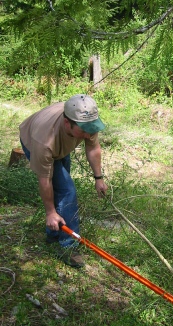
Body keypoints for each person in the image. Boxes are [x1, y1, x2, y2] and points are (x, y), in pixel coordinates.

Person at [19, 94, 108, 268]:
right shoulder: (44, 142)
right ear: (67, 123)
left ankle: (53, 235)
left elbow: (93, 147)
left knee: (62, 188)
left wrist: (99, 179)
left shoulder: (86, 119)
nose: (89, 134)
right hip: (33, 139)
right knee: (67, 190)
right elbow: (45, 181)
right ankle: (68, 246)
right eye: (83, 130)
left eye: (91, 129)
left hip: (59, 145)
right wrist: (50, 212)